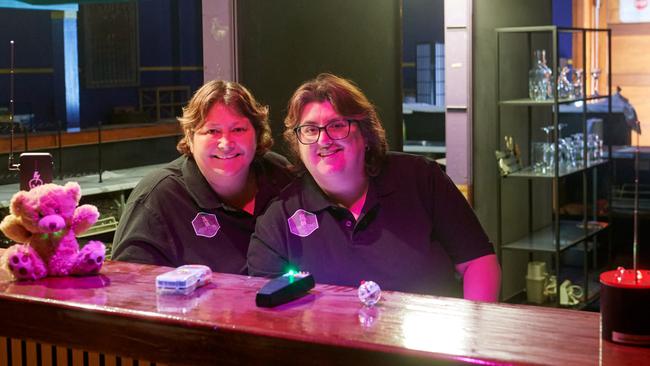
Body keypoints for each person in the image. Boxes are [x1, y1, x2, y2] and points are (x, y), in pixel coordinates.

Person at [247, 73, 501, 301]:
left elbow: (478, 263)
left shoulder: (421, 179)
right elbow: (265, 308)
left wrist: (470, 339)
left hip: (427, 349)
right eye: (310, 129)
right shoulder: (279, 218)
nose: (323, 140)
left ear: (366, 135)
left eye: (337, 125)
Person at [112, 80, 294, 274]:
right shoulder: (158, 197)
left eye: (238, 129)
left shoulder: (282, 177)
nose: (226, 143)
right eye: (212, 131)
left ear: (257, 135)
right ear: (190, 139)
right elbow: (128, 287)